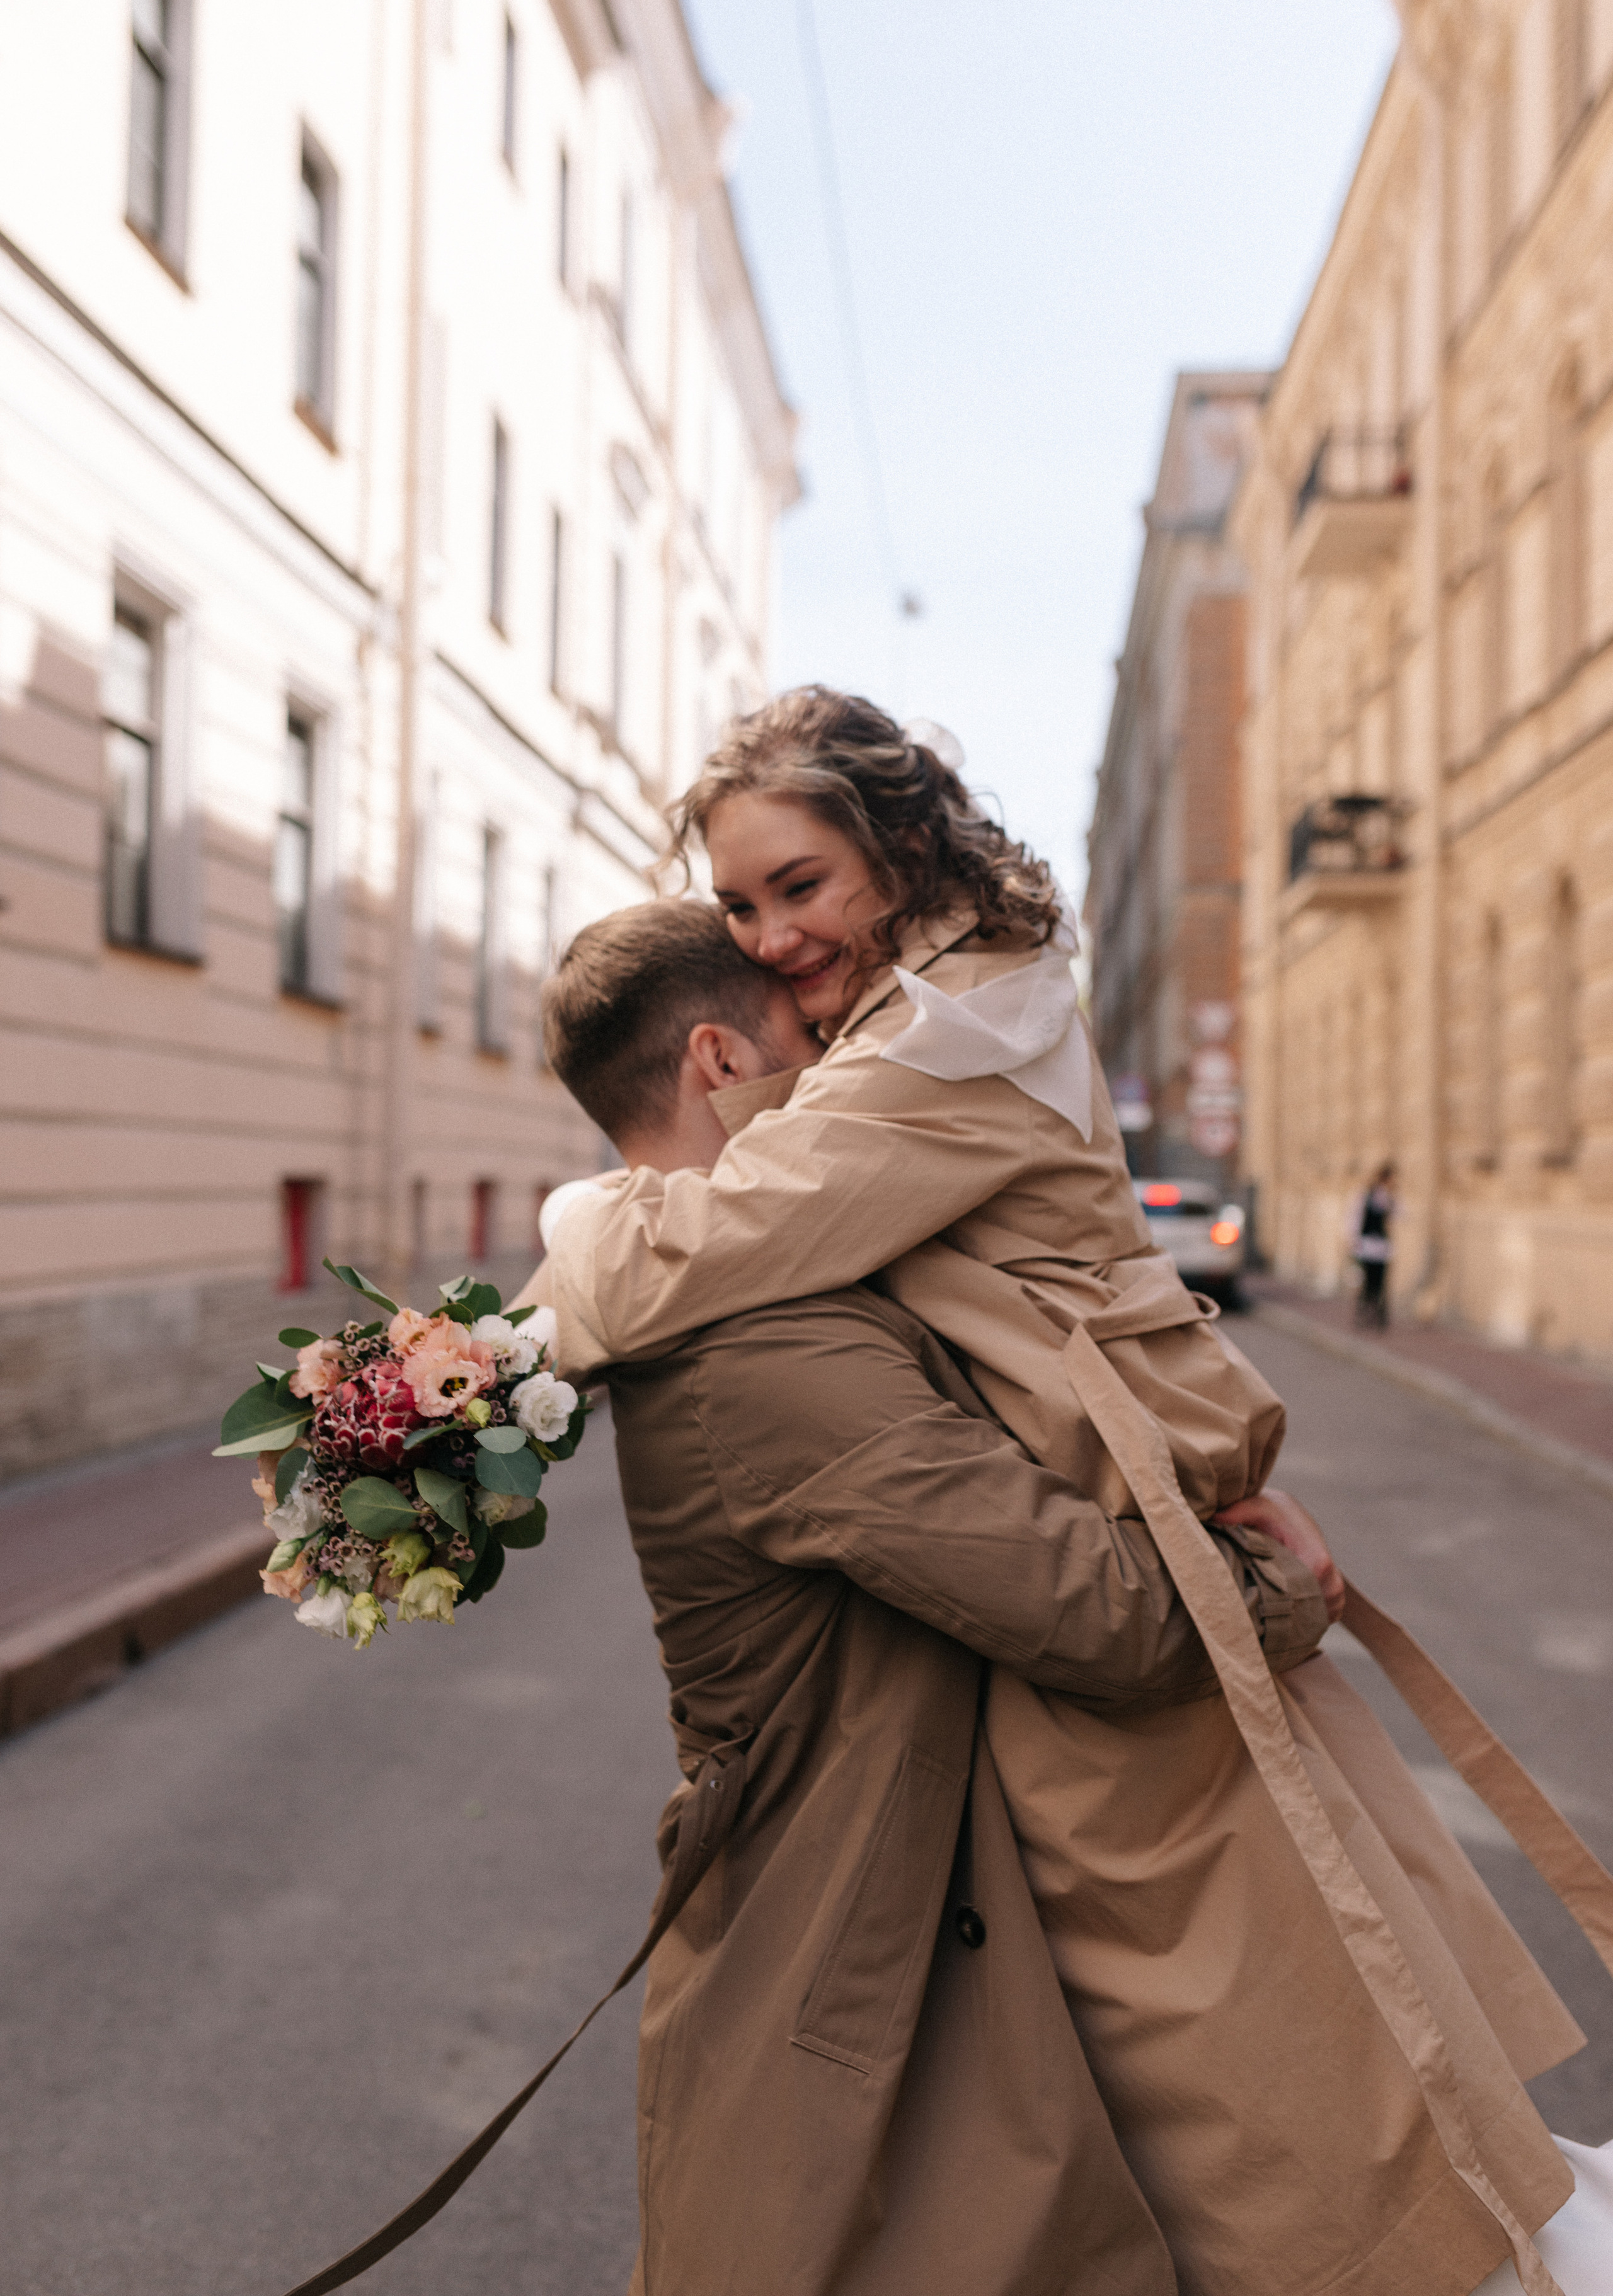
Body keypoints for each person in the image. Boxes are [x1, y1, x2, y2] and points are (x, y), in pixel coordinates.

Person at [534, 692, 1598, 2296]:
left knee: (1276, 2082)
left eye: (798, 886)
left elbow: (716, 1235)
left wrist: (524, 1292)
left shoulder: (948, 1038)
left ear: (898, 848)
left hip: (1123, 1528)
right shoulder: (919, 1013)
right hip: (1101, 1529)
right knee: (1276, 2065)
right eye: (741, 902)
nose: (770, 937)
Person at [537, 900, 1337, 2293]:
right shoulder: (767, 1346)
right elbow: (1104, 1613)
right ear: (722, 1063)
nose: (849, 1077)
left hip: (838, 1937)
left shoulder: (701, 1290)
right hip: (856, 1972)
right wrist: (1280, 1580)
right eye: (815, 1047)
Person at [1353, 1160, 1396, 1328]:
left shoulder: (1390, 1198)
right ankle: (1363, 1314)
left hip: (1382, 1247)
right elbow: (1356, 1218)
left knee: (1380, 1284)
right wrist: (1354, 1242)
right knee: (1367, 1282)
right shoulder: (1367, 1195)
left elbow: (1401, 1215)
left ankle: (1378, 1318)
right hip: (1367, 1245)